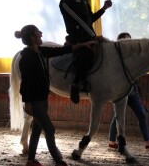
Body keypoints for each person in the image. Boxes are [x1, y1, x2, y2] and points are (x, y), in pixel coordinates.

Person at [15, 24, 95, 166]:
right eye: (38, 32)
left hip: (42, 98)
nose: (41, 33)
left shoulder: (39, 51)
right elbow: (25, 83)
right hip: (34, 100)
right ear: (33, 37)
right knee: (50, 129)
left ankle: (31, 160)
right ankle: (58, 161)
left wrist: (81, 45)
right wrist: (27, 103)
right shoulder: (26, 57)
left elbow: (60, 51)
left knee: (37, 128)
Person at [58, 0, 112, 104]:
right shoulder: (64, 2)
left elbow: (90, 18)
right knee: (85, 55)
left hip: (89, 35)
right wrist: (93, 37)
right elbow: (78, 21)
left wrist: (104, 8)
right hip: (77, 38)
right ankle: (76, 85)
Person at [107, 32, 149, 151]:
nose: (128, 43)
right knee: (117, 116)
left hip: (132, 91)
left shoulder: (133, 58)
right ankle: (112, 141)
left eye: (129, 40)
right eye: (125, 41)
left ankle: (148, 142)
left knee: (141, 114)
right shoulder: (115, 59)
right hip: (120, 92)